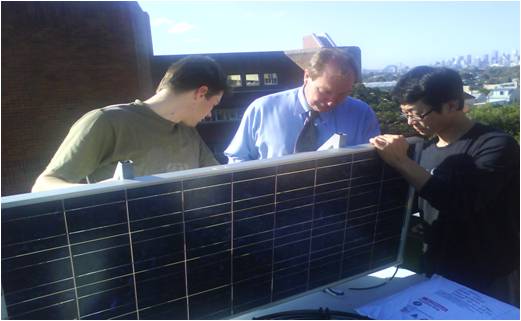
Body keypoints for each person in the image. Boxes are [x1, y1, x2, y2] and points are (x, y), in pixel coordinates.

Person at [370, 66, 519, 306]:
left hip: (490, 275)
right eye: (406, 114)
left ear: (451, 105)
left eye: (417, 114)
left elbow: (462, 203)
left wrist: (401, 161)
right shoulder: (422, 149)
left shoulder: (495, 145)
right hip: (438, 270)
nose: (411, 122)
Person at [32, 56, 228, 192]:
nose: (210, 114)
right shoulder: (106, 122)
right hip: (122, 246)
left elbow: (219, 180)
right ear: (201, 93)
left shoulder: (188, 133)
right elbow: (43, 185)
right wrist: (101, 191)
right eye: (213, 104)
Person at [224, 48, 380, 162]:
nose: (332, 101)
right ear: (307, 76)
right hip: (273, 201)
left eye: (343, 94)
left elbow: (369, 163)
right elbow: (238, 157)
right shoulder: (263, 109)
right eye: (324, 91)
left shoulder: (361, 114)